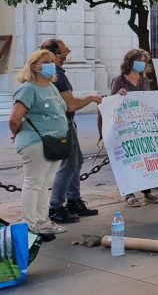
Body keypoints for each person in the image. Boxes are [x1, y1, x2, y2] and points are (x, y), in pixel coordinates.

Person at [40, 39, 102, 225]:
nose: (65, 57)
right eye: (63, 54)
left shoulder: (50, 74)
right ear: (51, 54)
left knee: (76, 161)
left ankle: (73, 200)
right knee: (67, 165)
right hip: (62, 125)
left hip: (63, 124)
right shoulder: (56, 75)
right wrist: (91, 98)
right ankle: (56, 206)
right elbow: (71, 104)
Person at [8, 49, 70, 236]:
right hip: (36, 142)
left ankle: (43, 220)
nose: (51, 64)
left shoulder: (51, 87)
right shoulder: (28, 88)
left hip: (55, 142)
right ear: (34, 66)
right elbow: (14, 118)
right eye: (46, 61)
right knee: (34, 183)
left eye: (52, 60)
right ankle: (29, 223)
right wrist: (16, 132)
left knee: (45, 184)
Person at [109, 49, 158, 206]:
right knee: (128, 160)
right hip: (125, 127)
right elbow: (112, 104)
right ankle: (129, 194)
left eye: (144, 61)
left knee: (145, 159)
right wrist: (118, 95)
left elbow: (147, 101)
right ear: (130, 61)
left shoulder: (144, 81)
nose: (142, 64)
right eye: (139, 60)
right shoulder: (119, 80)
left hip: (141, 126)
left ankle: (147, 192)